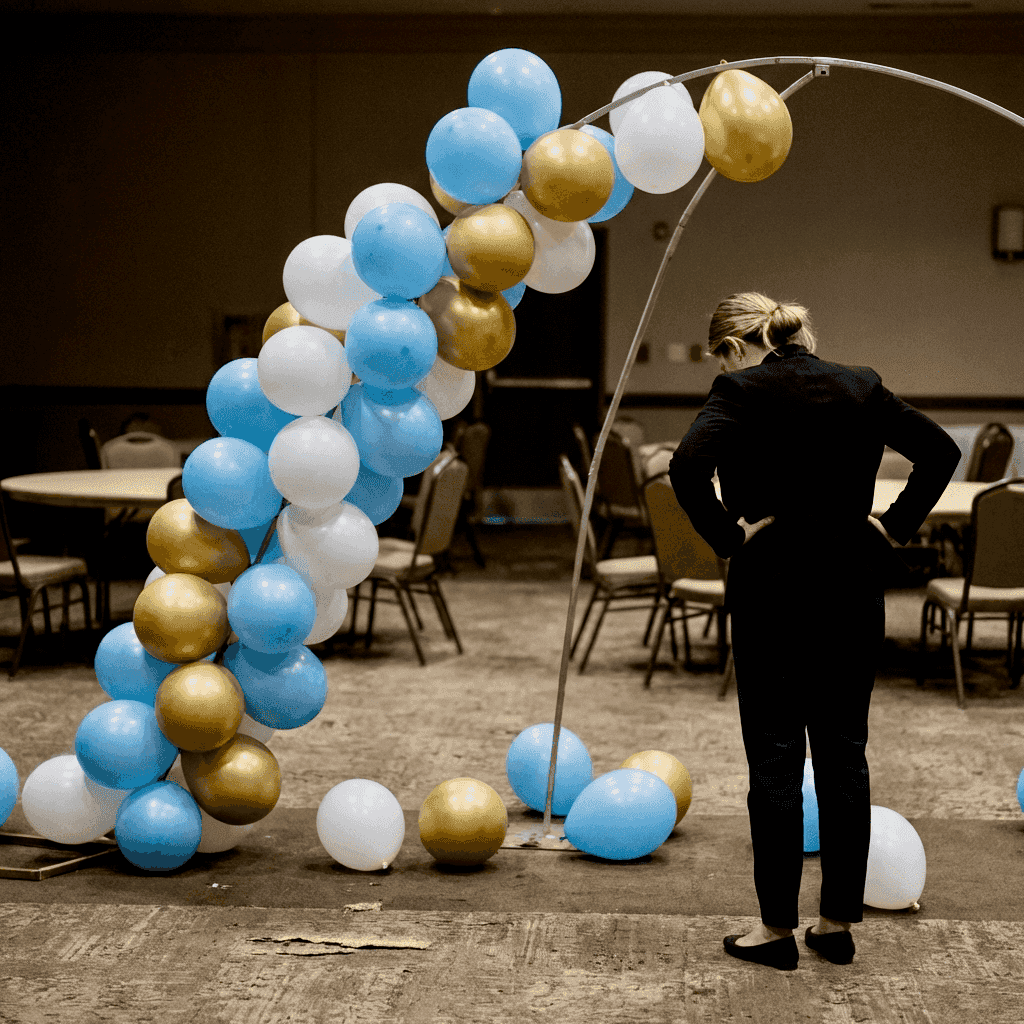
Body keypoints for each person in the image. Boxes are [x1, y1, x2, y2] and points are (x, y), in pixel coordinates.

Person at [668, 292, 961, 970]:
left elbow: (686, 468)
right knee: (843, 752)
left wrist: (729, 534)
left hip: (771, 585)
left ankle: (774, 932)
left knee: (774, 758)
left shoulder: (738, 389)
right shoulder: (860, 384)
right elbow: (939, 452)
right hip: (852, 585)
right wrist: (892, 525)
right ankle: (835, 924)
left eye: (722, 352)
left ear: (737, 345)